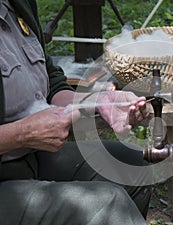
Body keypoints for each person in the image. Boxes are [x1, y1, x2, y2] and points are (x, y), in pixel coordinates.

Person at [0, 0, 152, 224]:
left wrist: (99, 101)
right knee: (107, 204)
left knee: (131, 164)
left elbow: (51, 82)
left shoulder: (17, 3)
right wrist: (22, 133)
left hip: (27, 157)